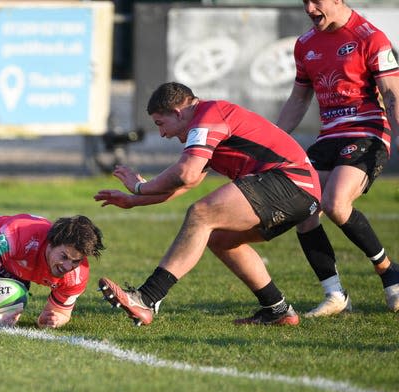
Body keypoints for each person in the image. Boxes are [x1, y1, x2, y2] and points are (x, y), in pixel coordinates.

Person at [94, 82, 321, 326]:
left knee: (202, 213)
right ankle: (277, 310)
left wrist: (139, 187)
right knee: (221, 238)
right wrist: (133, 201)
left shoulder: (208, 116)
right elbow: (185, 184)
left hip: (291, 182)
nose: (162, 134)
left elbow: (186, 174)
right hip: (299, 192)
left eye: (161, 124)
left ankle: (146, 298)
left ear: (178, 112)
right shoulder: (209, 122)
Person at [276, 0, 399, 316]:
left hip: (367, 131)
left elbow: (392, 95)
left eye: (316, 1)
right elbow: (298, 99)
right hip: (328, 136)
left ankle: (389, 273)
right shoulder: (305, 45)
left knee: (335, 203)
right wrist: (271, 141)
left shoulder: (370, 37)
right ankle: (335, 295)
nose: (309, 8)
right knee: (301, 209)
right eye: (304, 1)